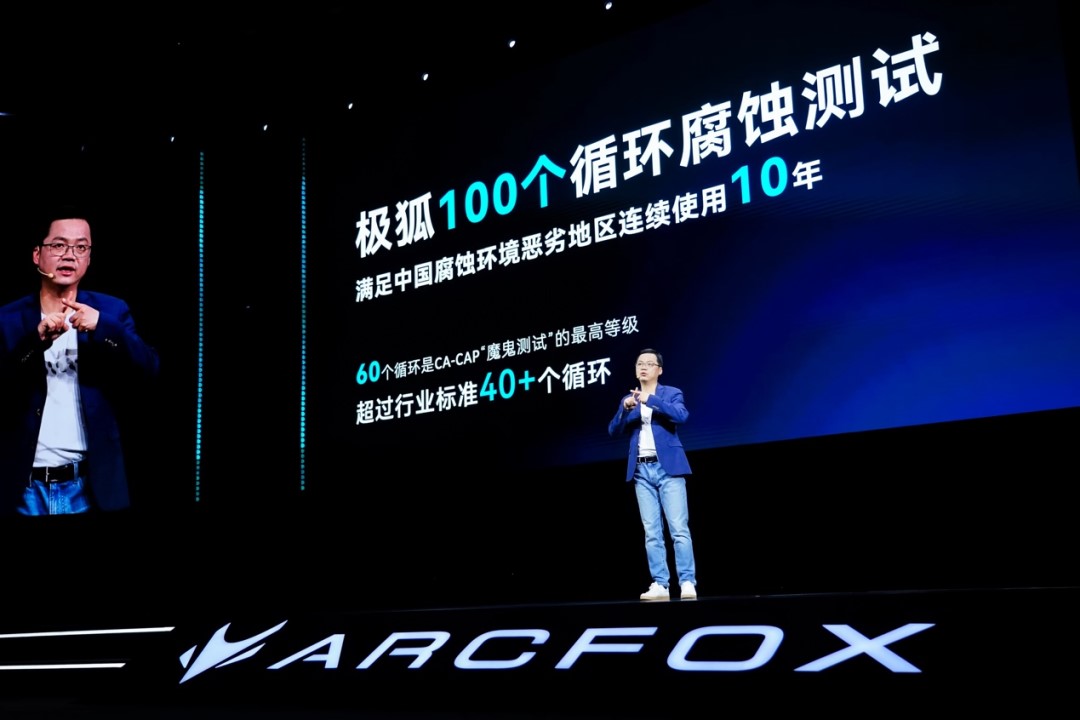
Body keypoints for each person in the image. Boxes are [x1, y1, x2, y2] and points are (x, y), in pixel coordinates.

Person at [0, 209, 159, 515]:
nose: (70, 255)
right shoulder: (7, 318)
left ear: (89, 258)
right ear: (37, 255)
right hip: (23, 488)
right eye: (59, 245)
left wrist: (104, 327)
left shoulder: (112, 311)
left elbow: (149, 369)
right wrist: (35, 343)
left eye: (81, 247)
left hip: (89, 487)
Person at [608, 348, 698, 601]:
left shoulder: (671, 393)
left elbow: (681, 415)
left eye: (649, 363)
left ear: (659, 370)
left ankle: (687, 581)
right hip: (641, 471)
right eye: (640, 363)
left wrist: (651, 400)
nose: (643, 367)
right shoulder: (629, 398)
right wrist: (624, 409)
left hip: (668, 468)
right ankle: (660, 584)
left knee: (678, 529)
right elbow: (613, 431)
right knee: (652, 532)